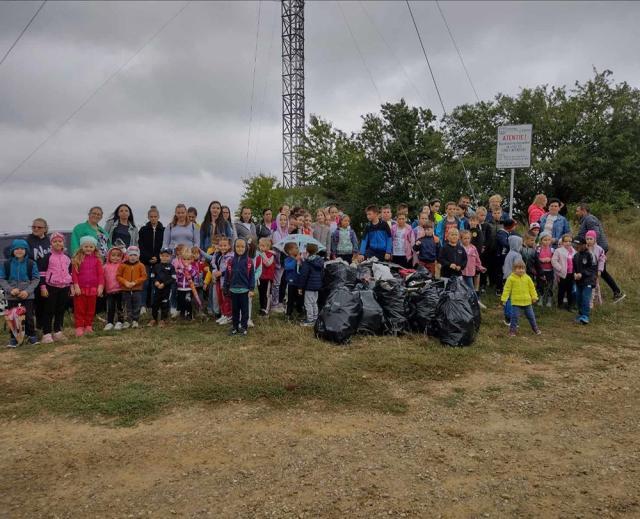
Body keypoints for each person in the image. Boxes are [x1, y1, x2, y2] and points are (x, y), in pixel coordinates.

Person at [575, 203, 625, 302]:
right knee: (602, 272)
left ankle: (615, 292)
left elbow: (595, 233)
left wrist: (590, 247)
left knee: (600, 271)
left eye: (577, 211)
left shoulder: (589, 219)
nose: (576, 213)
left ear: (583, 210)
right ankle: (615, 292)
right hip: (595, 248)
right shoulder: (586, 219)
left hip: (598, 249)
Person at [0, 239, 40, 346]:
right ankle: (14, 337)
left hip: (27, 296)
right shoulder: (6, 264)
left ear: (26, 250)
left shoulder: (31, 263)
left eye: (22, 248)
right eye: (16, 248)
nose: (19, 251)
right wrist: (10, 289)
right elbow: (2, 279)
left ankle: (31, 335)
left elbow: (36, 279)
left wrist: (27, 291)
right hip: (12, 296)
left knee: (29, 317)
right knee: (13, 317)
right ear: (12, 250)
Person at [40, 232, 72, 343]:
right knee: (49, 310)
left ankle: (58, 331)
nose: (57, 243)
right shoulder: (47, 257)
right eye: (55, 241)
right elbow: (42, 273)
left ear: (63, 243)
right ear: (51, 244)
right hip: (51, 287)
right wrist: (43, 287)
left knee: (60, 310)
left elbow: (70, 272)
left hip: (64, 287)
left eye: (60, 241)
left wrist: (71, 285)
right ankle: (46, 333)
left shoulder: (67, 257)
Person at [71, 236, 104, 337]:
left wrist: (100, 286)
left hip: (93, 289)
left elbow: (100, 274)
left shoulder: (97, 260)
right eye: (86, 246)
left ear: (94, 247)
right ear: (81, 247)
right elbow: (74, 274)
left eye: (91, 246)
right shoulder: (77, 259)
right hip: (80, 289)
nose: (88, 248)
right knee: (79, 308)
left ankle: (88, 325)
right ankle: (79, 326)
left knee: (91, 309)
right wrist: (76, 286)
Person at [501, 259, 541, 337]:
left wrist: (534, 297)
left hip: (527, 302)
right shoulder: (511, 278)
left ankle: (535, 328)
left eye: (523, 268)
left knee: (531, 316)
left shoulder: (528, 278)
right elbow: (506, 289)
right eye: (519, 268)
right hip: (516, 302)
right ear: (514, 269)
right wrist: (504, 299)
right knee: (514, 317)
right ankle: (512, 331)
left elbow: (532, 288)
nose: (521, 270)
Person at [224, 238, 255, 336]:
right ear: (234, 247)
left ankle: (244, 327)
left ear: (246, 248)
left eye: (242, 246)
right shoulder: (230, 261)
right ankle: (235, 327)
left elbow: (252, 277)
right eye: (237, 246)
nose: (240, 248)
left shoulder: (249, 261)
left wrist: (251, 289)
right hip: (233, 290)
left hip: (244, 291)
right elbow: (227, 276)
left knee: (244, 311)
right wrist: (225, 287)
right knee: (235, 311)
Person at [26, 217, 51, 331]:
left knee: (47, 302)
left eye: (39, 227)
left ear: (45, 229)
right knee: (36, 303)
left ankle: (45, 326)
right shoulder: (28, 240)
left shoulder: (49, 240)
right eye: (33, 226)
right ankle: (36, 327)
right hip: (34, 277)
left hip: (49, 277)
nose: (35, 229)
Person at [139, 206, 164, 313]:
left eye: (155, 216)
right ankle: (143, 305)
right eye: (151, 217)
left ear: (158, 217)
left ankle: (155, 305)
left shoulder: (163, 230)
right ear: (148, 217)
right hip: (146, 261)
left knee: (156, 283)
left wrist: (157, 258)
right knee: (145, 283)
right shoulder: (143, 230)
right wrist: (149, 257)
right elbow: (141, 245)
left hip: (158, 262)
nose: (153, 218)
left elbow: (164, 245)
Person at [116, 246, 147, 329]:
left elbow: (144, 276)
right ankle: (127, 320)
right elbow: (118, 276)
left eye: (135, 255)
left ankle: (135, 320)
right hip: (125, 289)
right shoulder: (123, 265)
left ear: (138, 256)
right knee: (127, 305)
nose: (133, 257)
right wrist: (125, 282)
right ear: (127, 256)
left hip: (137, 289)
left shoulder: (141, 265)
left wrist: (135, 282)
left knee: (137, 305)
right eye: (131, 255)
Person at [572, 237, 598, 324]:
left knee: (585, 297)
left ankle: (585, 316)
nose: (576, 247)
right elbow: (574, 268)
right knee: (578, 297)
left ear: (584, 245)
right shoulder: (575, 256)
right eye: (575, 245)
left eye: (578, 245)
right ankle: (580, 314)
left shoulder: (590, 254)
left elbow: (593, 269)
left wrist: (582, 274)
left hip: (589, 280)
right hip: (579, 281)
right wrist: (575, 274)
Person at [149, 248, 176, 327]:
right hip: (157, 289)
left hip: (166, 290)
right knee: (155, 304)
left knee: (165, 304)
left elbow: (173, 278)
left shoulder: (171, 267)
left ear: (170, 257)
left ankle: (163, 320)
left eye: (167, 256)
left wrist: (164, 284)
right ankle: (154, 319)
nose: (165, 257)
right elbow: (152, 276)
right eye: (163, 256)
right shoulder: (156, 266)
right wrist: (156, 282)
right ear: (160, 256)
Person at [298, 243, 324, 326]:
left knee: (308, 303)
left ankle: (310, 320)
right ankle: (315, 318)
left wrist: (300, 287)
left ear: (307, 251)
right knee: (314, 302)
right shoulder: (320, 260)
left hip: (309, 286)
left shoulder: (307, 262)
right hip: (317, 286)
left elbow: (303, 276)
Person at [460, 230, 486, 309]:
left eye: (468, 238)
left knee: (471, 288)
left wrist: (480, 267)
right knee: (461, 288)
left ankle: (476, 301)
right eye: (465, 238)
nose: (467, 240)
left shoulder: (473, 248)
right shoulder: (459, 247)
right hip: (461, 272)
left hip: (470, 272)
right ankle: (462, 303)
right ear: (461, 239)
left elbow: (477, 259)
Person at [213, 237, 234, 326]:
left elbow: (230, 270)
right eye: (220, 245)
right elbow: (214, 265)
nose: (223, 247)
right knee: (220, 298)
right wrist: (215, 272)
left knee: (227, 299)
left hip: (227, 281)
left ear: (229, 246)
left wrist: (221, 273)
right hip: (218, 280)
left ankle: (229, 315)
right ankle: (223, 314)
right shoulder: (217, 255)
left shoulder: (231, 256)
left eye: (225, 245)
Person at [271, 212, 290, 312]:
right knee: (276, 283)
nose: (283, 222)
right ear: (278, 221)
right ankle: (274, 304)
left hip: (285, 262)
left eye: (285, 220)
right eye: (281, 220)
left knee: (283, 283)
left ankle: (280, 302)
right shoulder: (276, 233)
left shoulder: (287, 233)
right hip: (278, 262)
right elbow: (279, 247)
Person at [552, 233, 575, 311]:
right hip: (562, 274)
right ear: (562, 242)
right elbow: (554, 261)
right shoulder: (558, 251)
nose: (568, 243)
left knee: (570, 290)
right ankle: (560, 304)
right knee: (561, 290)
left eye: (570, 241)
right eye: (566, 241)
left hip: (571, 273)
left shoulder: (574, 251)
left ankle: (570, 305)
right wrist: (560, 268)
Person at [174, 248, 199, 321]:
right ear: (181, 259)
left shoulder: (192, 267)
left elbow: (195, 274)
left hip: (189, 288)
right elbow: (177, 276)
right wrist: (180, 272)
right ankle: (182, 313)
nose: (186, 261)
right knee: (181, 301)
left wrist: (189, 269)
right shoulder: (179, 268)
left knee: (188, 301)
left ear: (191, 259)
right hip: (180, 288)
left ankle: (189, 314)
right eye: (184, 259)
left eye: (188, 259)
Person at [103, 247, 125, 331]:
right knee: (110, 307)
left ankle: (120, 322)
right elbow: (103, 278)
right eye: (113, 255)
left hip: (120, 290)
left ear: (122, 257)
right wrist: (103, 288)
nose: (115, 257)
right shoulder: (105, 267)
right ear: (109, 256)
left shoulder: (122, 266)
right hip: (109, 291)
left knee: (120, 307)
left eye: (118, 256)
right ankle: (110, 322)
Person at [255, 238, 276, 316]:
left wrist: (263, 255)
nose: (261, 247)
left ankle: (266, 309)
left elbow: (268, 264)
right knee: (261, 293)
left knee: (266, 294)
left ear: (268, 247)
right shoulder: (259, 254)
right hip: (260, 277)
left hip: (267, 278)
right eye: (260, 245)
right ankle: (262, 307)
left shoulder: (271, 255)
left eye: (263, 246)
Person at [284, 242, 304, 320]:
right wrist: (295, 261)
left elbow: (302, 269)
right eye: (296, 248)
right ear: (289, 251)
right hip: (291, 282)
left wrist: (301, 262)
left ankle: (300, 311)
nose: (298, 249)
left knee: (300, 298)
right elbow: (288, 267)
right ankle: (288, 314)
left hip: (298, 283)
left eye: (297, 248)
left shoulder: (299, 259)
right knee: (290, 299)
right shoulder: (287, 260)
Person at [536, 232, 555, 307]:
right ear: (541, 240)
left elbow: (555, 259)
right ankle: (541, 298)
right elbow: (536, 258)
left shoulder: (552, 250)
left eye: (548, 240)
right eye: (545, 240)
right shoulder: (539, 249)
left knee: (550, 285)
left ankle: (549, 300)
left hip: (550, 271)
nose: (547, 242)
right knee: (541, 285)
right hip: (541, 271)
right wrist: (541, 259)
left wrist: (550, 259)